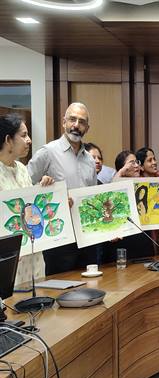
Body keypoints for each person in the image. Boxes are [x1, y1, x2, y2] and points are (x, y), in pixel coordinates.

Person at [27, 102, 97, 275]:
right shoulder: (48, 152)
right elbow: (25, 187)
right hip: (58, 237)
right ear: (63, 122)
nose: (76, 125)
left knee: (90, 285)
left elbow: (93, 196)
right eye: (72, 119)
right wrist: (43, 188)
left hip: (86, 237)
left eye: (82, 122)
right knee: (58, 286)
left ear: (87, 128)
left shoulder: (90, 160)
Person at [0, 114, 54, 285]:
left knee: (37, 294)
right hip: (8, 254)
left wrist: (43, 190)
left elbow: (30, 207)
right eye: (23, 135)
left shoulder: (22, 169)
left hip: (32, 249)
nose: (29, 140)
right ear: (8, 140)